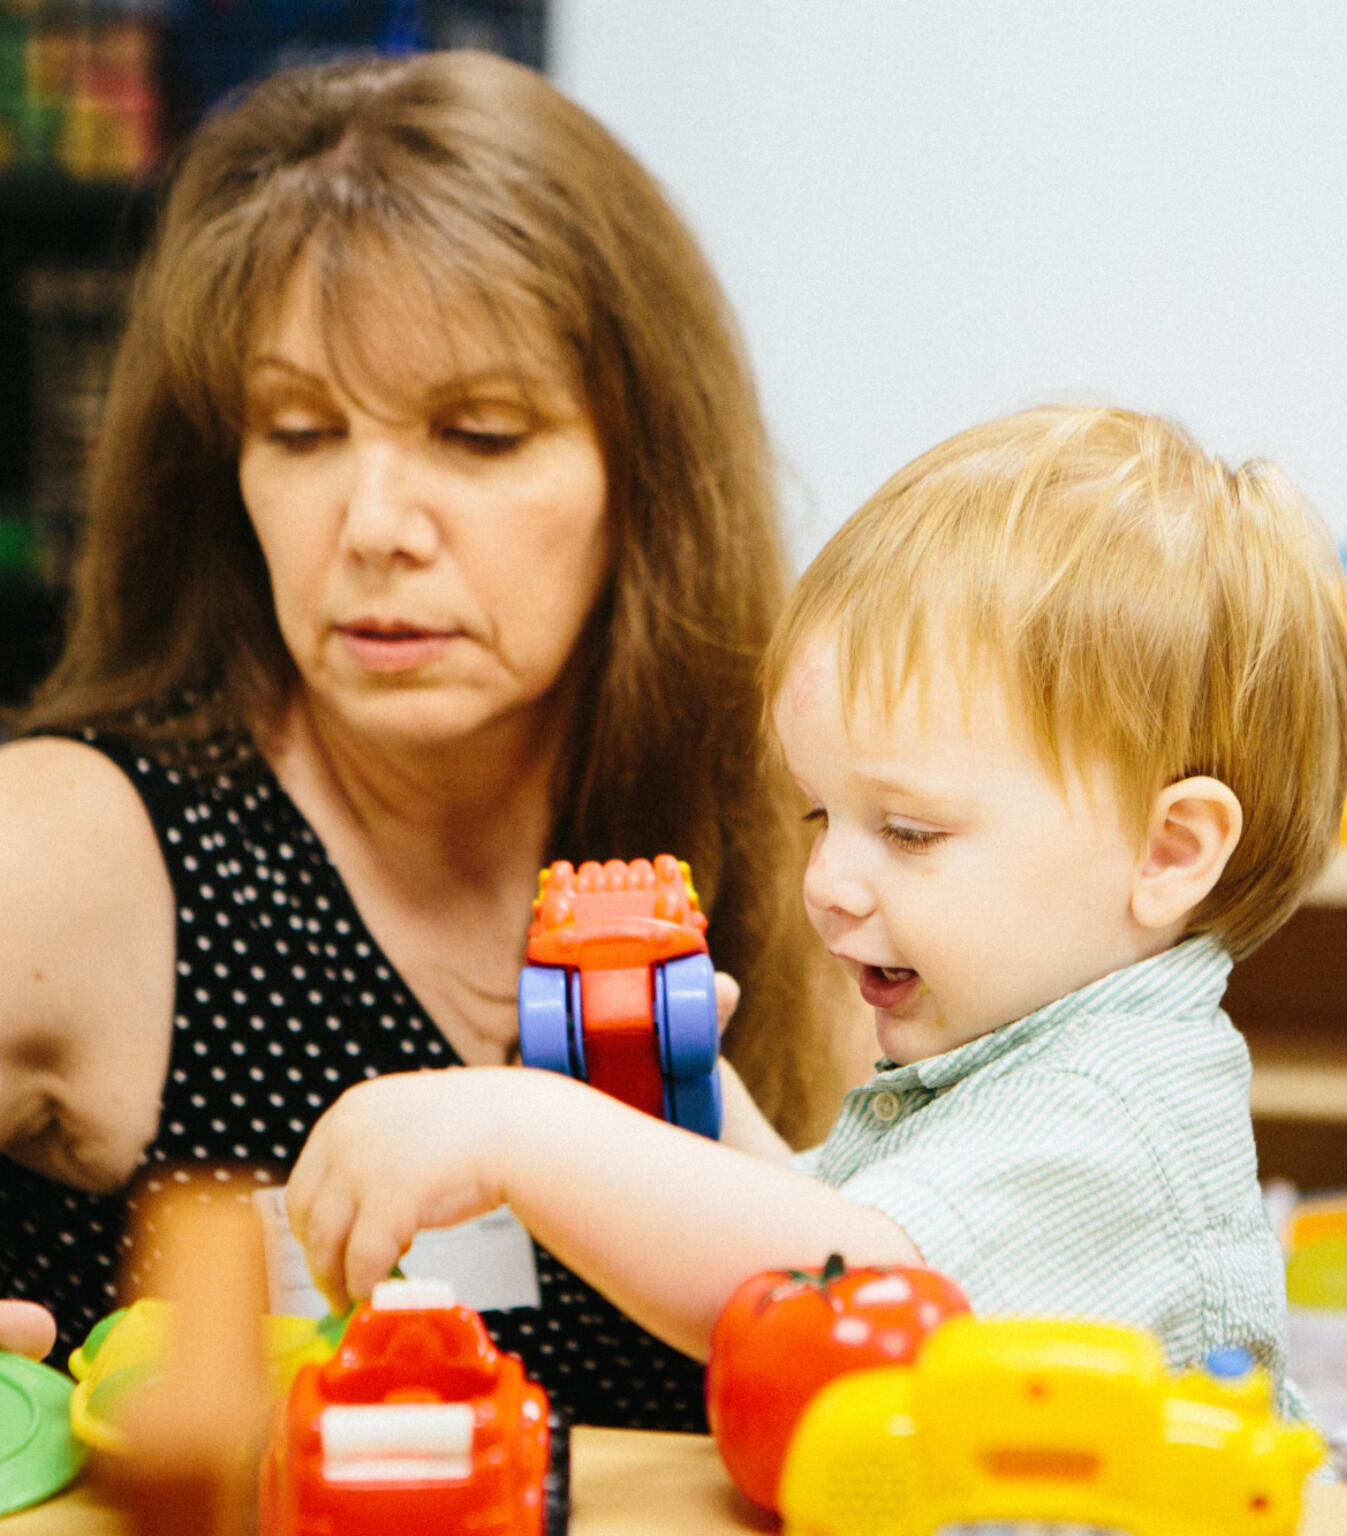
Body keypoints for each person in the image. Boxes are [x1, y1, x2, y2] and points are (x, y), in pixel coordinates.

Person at [0, 49, 862, 1431]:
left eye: (478, 434)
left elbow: (925, 1315)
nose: (374, 525)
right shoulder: (76, 842)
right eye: (300, 431)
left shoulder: (816, 858)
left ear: (644, 477)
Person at [284, 403, 1347, 1402]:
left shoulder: (1114, 1109)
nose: (827, 886)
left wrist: (521, 1135)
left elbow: (851, 1302)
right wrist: (695, 1116)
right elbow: (828, 1229)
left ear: (1169, 852)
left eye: (909, 831)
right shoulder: (1015, 1060)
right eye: (818, 816)